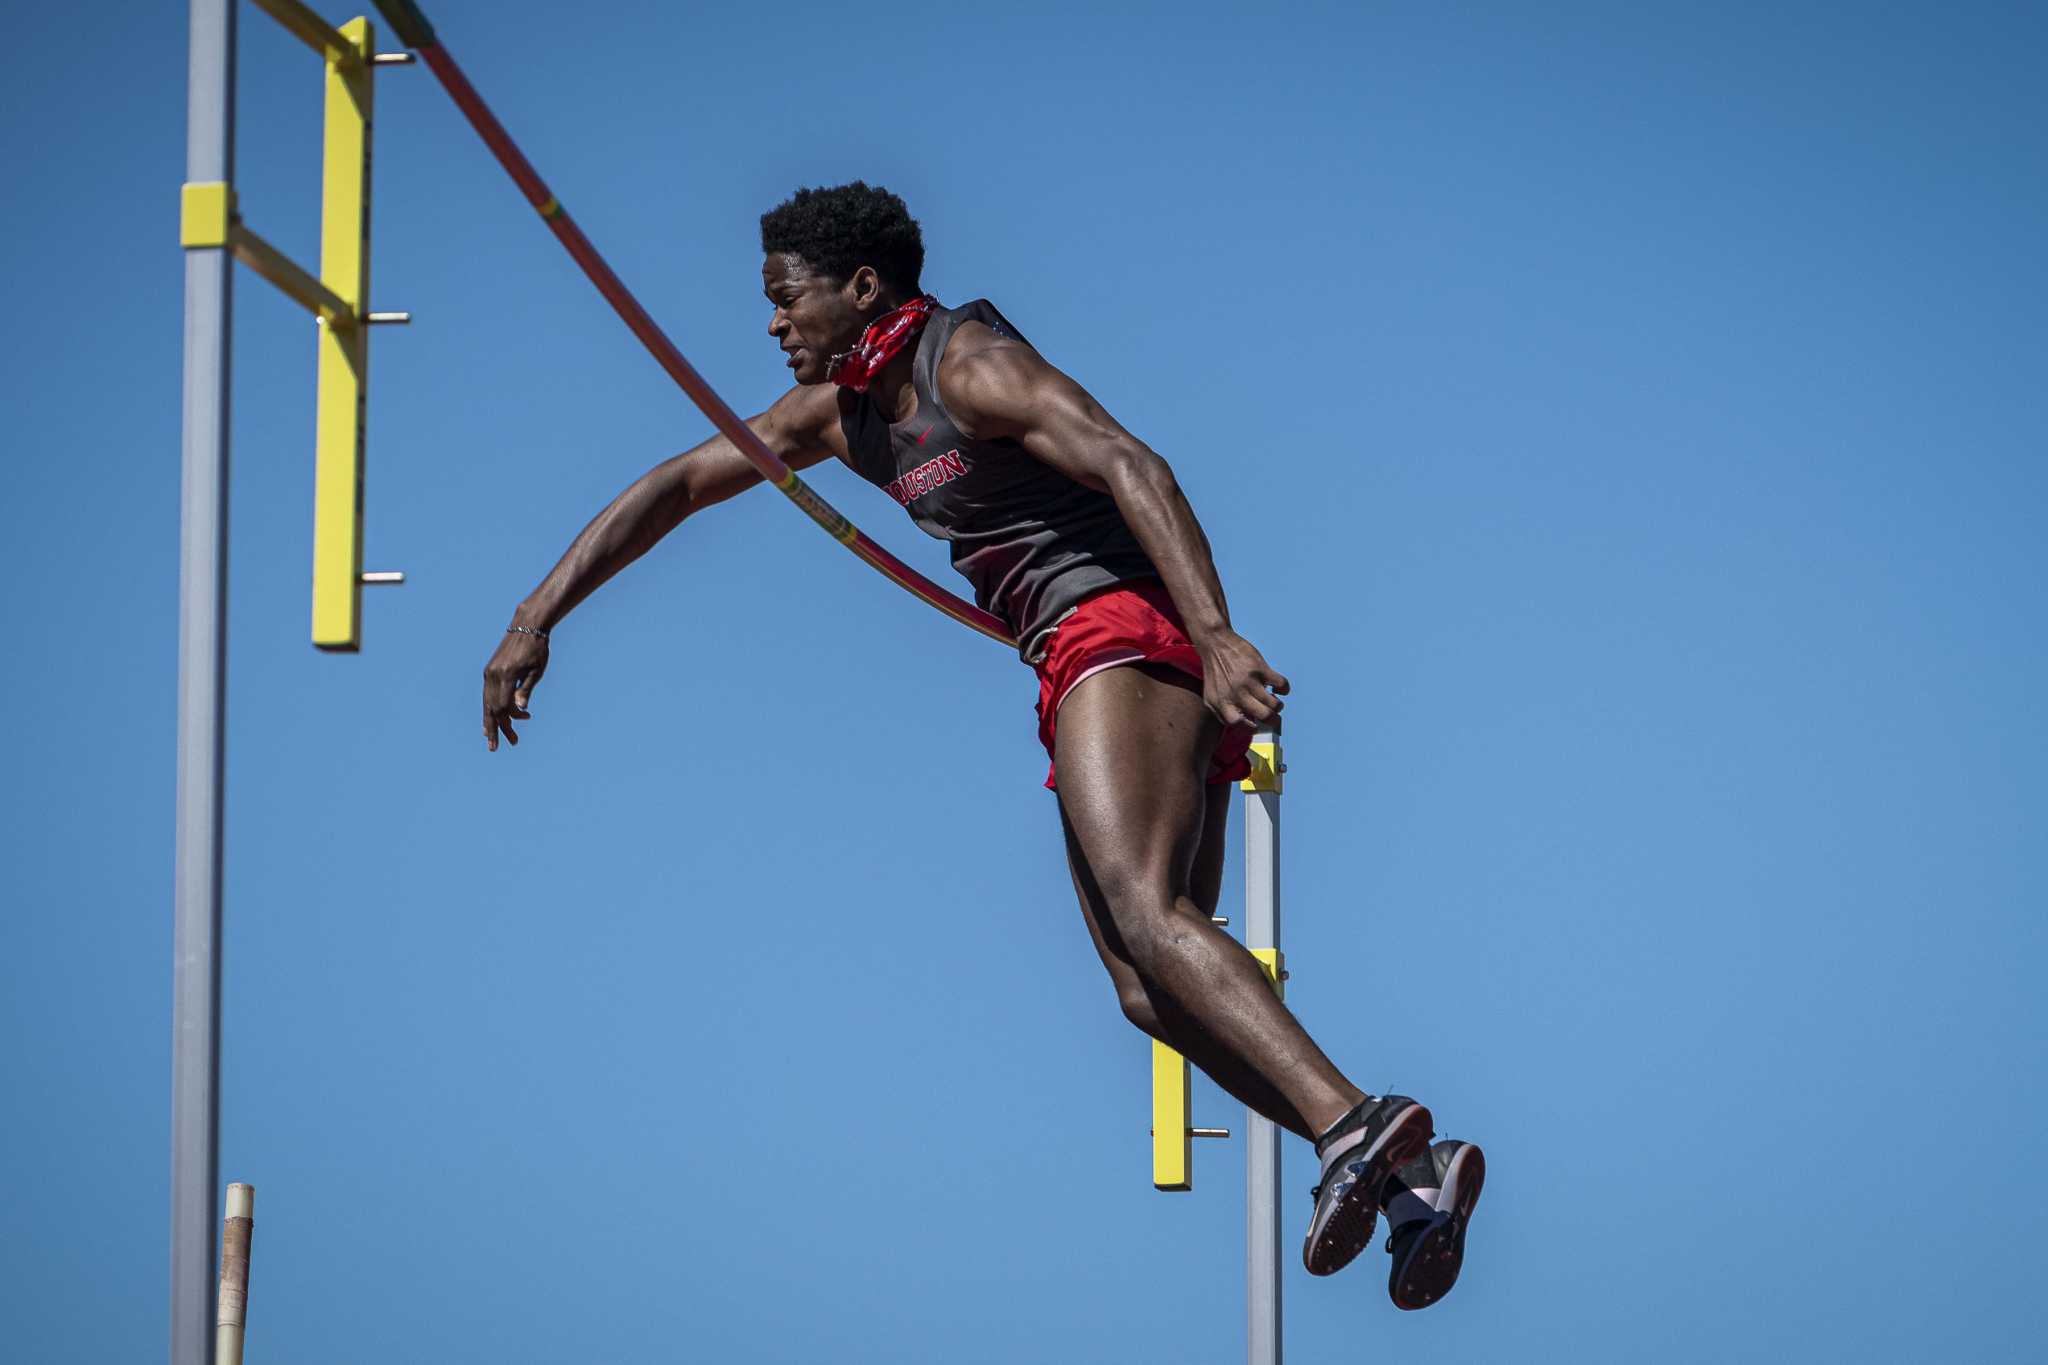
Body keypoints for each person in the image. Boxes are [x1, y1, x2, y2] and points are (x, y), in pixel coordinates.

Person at [479, 181, 1483, 1308]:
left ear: (863, 290)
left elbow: (1129, 462)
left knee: (1149, 915)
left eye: (784, 299)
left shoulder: (967, 366)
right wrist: (535, 616)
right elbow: (676, 486)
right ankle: (1405, 1176)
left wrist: (1216, 635)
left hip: (1121, 631)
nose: (770, 324)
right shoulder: (835, 419)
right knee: (1148, 990)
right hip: (1078, 659)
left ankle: (1354, 1123)